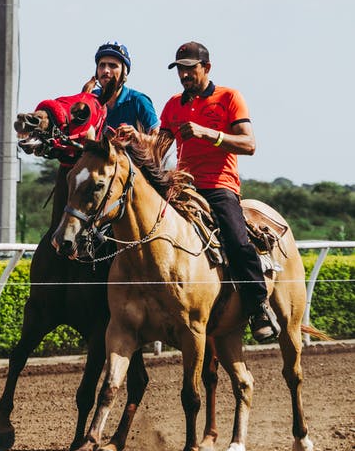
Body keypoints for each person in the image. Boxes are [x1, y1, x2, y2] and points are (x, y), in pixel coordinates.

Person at [157, 41, 280, 343]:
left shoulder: (229, 97)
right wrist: (135, 141)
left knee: (238, 242)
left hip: (219, 187)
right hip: (182, 189)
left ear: (206, 68)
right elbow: (158, 147)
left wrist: (208, 134)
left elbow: (249, 145)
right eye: (180, 70)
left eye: (190, 68)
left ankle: (259, 307)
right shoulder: (173, 104)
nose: (184, 75)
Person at [93, 41, 159, 134]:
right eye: (102, 65)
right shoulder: (90, 99)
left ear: (124, 73)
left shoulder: (138, 101)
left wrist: (137, 137)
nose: (105, 70)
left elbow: (159, 143)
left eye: (113, 65)